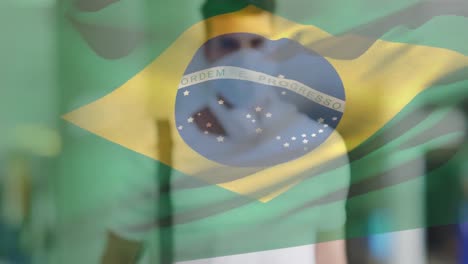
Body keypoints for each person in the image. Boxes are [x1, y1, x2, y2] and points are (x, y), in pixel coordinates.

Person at [101, 1, 349, 263]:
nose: (244, 59)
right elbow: (118, 256)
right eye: (228, 45)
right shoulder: (160, 148)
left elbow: (330, 257)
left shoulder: (322, 149)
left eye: (257, 43)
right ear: (206, 52)